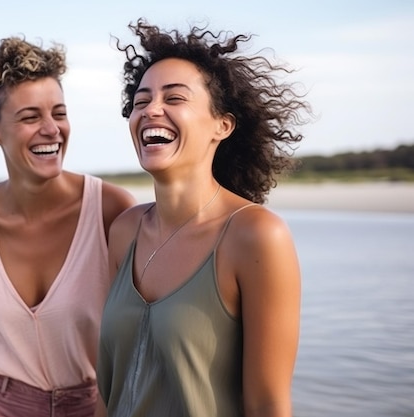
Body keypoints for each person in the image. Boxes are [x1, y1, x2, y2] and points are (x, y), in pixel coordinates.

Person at [95, 19, 312, 417]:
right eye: (140, 102)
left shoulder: (257, 236)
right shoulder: (125, 230)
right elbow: (105, 390)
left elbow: (268, 404)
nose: (151, 110)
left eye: (174, 98)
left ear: (222, 125)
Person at [0, 36, 135, 417]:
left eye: (59, 113)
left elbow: (140, 341)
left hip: (96, 406)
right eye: (30, 117)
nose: (52, 129)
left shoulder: (113, 210)